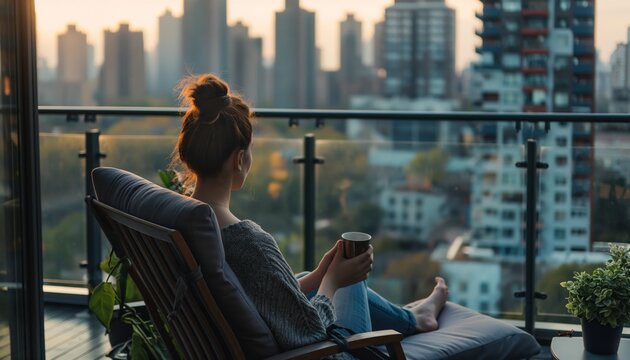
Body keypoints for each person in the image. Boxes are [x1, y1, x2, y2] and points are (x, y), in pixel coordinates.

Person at [170, 73, 449, 354]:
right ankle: (414, 317)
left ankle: (414, 317)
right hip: (321, 354)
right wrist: (332, 281)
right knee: (350, 278)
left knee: (306, 276)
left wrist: (318, 276)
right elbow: (310, 334)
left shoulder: (179, 225)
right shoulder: (249, 243)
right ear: (239, 159)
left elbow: (253, 299)